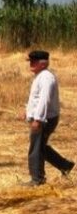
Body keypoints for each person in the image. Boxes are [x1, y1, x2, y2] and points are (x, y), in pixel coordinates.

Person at [20, 50, 74, 186]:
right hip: (43, 118)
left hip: (45, 119)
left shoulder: (46, 78)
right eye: (30, 61)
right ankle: (65, 165)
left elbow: (45, 100)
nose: (31, 64)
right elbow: (36, 99)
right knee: (40, 147)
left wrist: (38, 119)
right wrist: (28, 111)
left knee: (36, 149)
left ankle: (37, 179)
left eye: (34, 62)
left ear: (43, 64)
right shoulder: (41, 76)